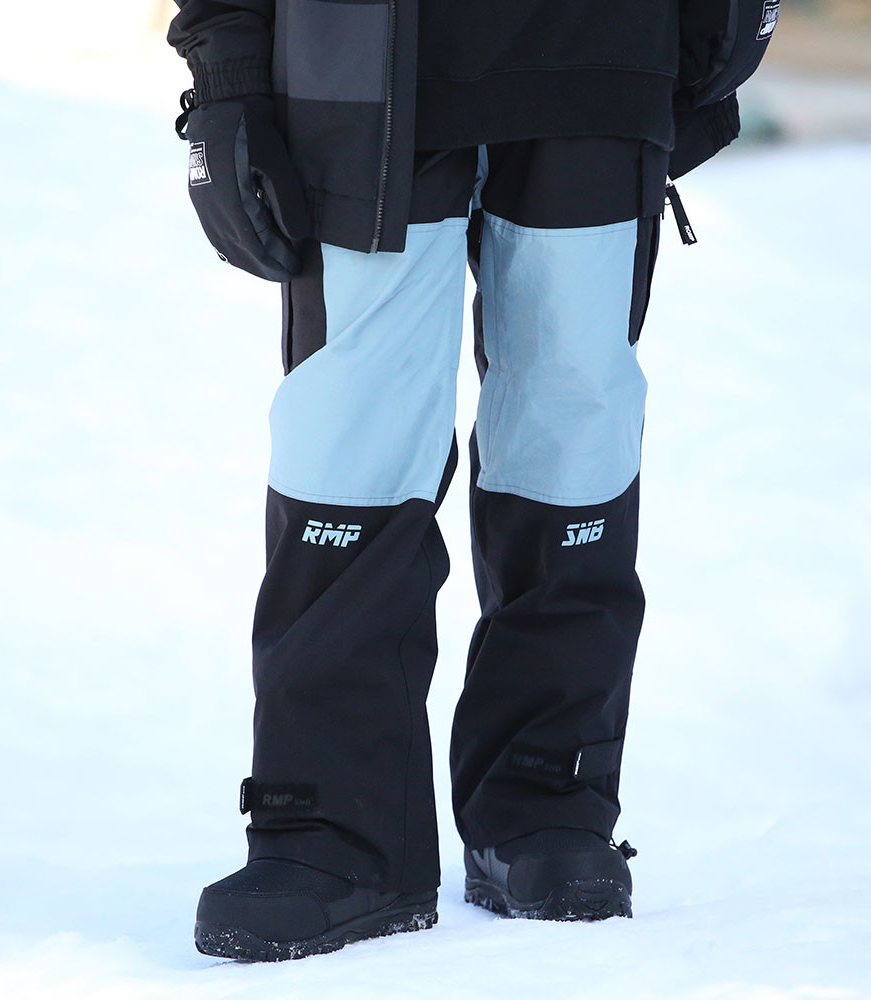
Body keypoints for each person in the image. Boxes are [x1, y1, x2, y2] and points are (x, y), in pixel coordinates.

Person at [168, 0, 778, 963]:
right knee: (351, 452)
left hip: (604, 60)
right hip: (360, 74)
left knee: (573, 440)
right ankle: (333, 831)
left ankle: (546, 797)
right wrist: (227, 74)